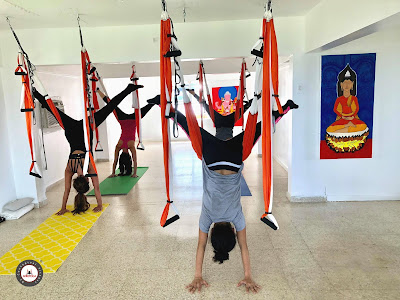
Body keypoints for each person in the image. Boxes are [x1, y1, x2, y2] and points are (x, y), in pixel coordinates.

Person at [160, 106, 262, 293]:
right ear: (212, 229)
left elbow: (243, 246)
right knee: (188, 125)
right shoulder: (207, 218)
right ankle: (165, 106)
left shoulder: (237, 217)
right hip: (212, 157)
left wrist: (248, 274)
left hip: (233, 158)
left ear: (232, 229)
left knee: (258, 130)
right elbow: (201, 245)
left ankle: (279, 111)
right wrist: (197, 275)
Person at [33, 83, 142, 215]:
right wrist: (63, 207)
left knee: (110, 108)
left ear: (86, 180)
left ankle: (128, 89)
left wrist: (99, 205)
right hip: (71, 130)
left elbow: (97, 188)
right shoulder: (70, 168)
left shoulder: (89, 167)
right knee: (52, 109)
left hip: (87, 129)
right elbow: (66, 190)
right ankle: (35, 93)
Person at [97, 89, 159, 178]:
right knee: (111, 104)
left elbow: (133, 161)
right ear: (122, 156)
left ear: (128, 156)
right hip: (124, 120)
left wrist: (133, 173)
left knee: (111, 104)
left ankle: (155, 101)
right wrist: (113, 172)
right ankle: (98, 91)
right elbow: (116, 161)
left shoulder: (131, 146)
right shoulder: (119, 146)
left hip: (131, 120)